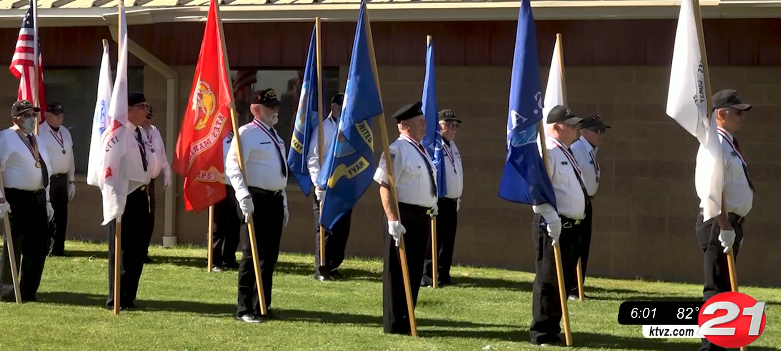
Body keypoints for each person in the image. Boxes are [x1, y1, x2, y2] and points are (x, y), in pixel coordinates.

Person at [374, 101, 438, 335]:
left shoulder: (421, 150)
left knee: (412, 271)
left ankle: (407, 318)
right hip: (402, 216)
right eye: (419, 122)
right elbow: (384, 186)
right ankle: (394, 324)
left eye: (424, 121)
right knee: (397, 272)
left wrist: (433, 203)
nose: (424, 125)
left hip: (420, 217)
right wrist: (393, 219)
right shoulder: (396, 150)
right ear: (404, 126)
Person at [226, 88, 289, 323]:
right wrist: (243, 195)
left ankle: (262, 303)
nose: (276, 110)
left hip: (274, 200)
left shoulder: (275, 135)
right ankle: (244, 308)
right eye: (270, 106)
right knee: (252, 255)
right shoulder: (247, 133)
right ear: (256, 109)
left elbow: (279, 174)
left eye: (276, 106)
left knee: (269, 257)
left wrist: (284, 202)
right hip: (256, 200)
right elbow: (232, 167)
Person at [695, 89, 752, 351]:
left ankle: (722, 342)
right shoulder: (715, 143)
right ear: (721, 113)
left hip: (731, 223)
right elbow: (711, 190)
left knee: (726, 287)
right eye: (737, 111)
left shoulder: (727, 142)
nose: (742, 117)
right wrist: (725, 226)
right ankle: (711, 346)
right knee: (716, 286)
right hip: (719, 223)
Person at [529, 105, 586, 346]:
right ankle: (541, 332)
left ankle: (553, 326)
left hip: (571, 226)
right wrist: (549, 216)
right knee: (549, 278)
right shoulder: (549, 151)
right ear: (556, 127)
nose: (577, 128)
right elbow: (537, 190)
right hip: (553, 223)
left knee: (563, 278)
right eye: (571, 124)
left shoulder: (566, 151)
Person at [0, 100, 55, 302]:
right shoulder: (6, 138)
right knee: (14, 245)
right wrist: (0, 199)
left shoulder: (36, 139)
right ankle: (7, 291)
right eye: (26, 115)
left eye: (33, 114)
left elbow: (45, 168)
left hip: (38, 197)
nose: (31, 119)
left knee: (39, 246)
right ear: (16, 118)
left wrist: (47, 200)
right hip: (16, 197)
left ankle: (28, 290)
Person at [105, 92, 153, 310]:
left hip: (141, 193)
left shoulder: (140, 133)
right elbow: (108, 164)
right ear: (129, 110)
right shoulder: (118, 134)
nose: (145, 110)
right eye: (141, 106)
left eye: (146, 106)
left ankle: (129, 296)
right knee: (122, 250)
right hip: (124, 194)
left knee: (138, 250)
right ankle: (116, 298)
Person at [309, 93, 353, 281]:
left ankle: (334, 265)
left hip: (343, 185)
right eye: (340, 106)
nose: (342, 110)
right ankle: (322, 268)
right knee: (325, 229)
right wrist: (318, 184)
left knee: (342, 228)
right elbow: (313, 158)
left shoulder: (350, 129)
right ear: (333, 106)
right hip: (325, 187)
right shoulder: (323, 128)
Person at [568, 113, 610, 300]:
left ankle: (578, 288)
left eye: (603, 130)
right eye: (597, 130)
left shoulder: (591, 150)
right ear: (583, 131)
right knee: (574, 246)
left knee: (583, 246)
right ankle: (571, 289)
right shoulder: (577, 148)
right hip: (578, 201)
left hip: (587, 201)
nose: (601, 134)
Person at [422, 109, 463, 287]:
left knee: (447, 242)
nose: (453, 128)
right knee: (434, 241)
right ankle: (430, 276)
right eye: (449, 124)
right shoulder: (435, 147)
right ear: (438, 127)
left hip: (452, 202)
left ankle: (443, 275)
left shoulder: (453, 147)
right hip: (438, 201)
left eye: (455, 125)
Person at [38, 102, 76, 257]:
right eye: (56, 115)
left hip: (62, 179)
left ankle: (58, 248)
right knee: (49, 214)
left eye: (62, 115)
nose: (60, 118)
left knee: (61, 215)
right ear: (47, 115)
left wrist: (72, 180)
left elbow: (70, 156)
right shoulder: (39, 131)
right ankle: (46, 246)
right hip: (48, 178)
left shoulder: (66, 132)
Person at [140, 105, 171, 264]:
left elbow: (161, 154)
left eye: (150, 116)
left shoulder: (155, 131)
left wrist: (167, 172)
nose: (148, 119)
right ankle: (137, 251)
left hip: (151, 182)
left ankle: (144, 251)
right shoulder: (135, 132)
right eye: (146, 115)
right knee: (140, 217)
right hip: (139, 182)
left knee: (150, 217)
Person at [209, 128, 241, 272]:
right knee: (218, 225)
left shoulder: (236, 136)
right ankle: (214, 260)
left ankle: (229, 258)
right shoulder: (216, 137)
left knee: (234, 224)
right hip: (219, 184)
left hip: (235, 186)